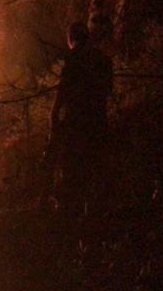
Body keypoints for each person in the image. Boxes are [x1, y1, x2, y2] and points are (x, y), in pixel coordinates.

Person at [47, 21, 113, 212]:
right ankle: (94, 214)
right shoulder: (103, 59)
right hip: (99, 121)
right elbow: (108, 89)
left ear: (70, 38)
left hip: (75, 124)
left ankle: (70, 217)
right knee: (96, 170)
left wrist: (53, 116)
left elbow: (63, 92)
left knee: (71, 170)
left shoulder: (73, 59)